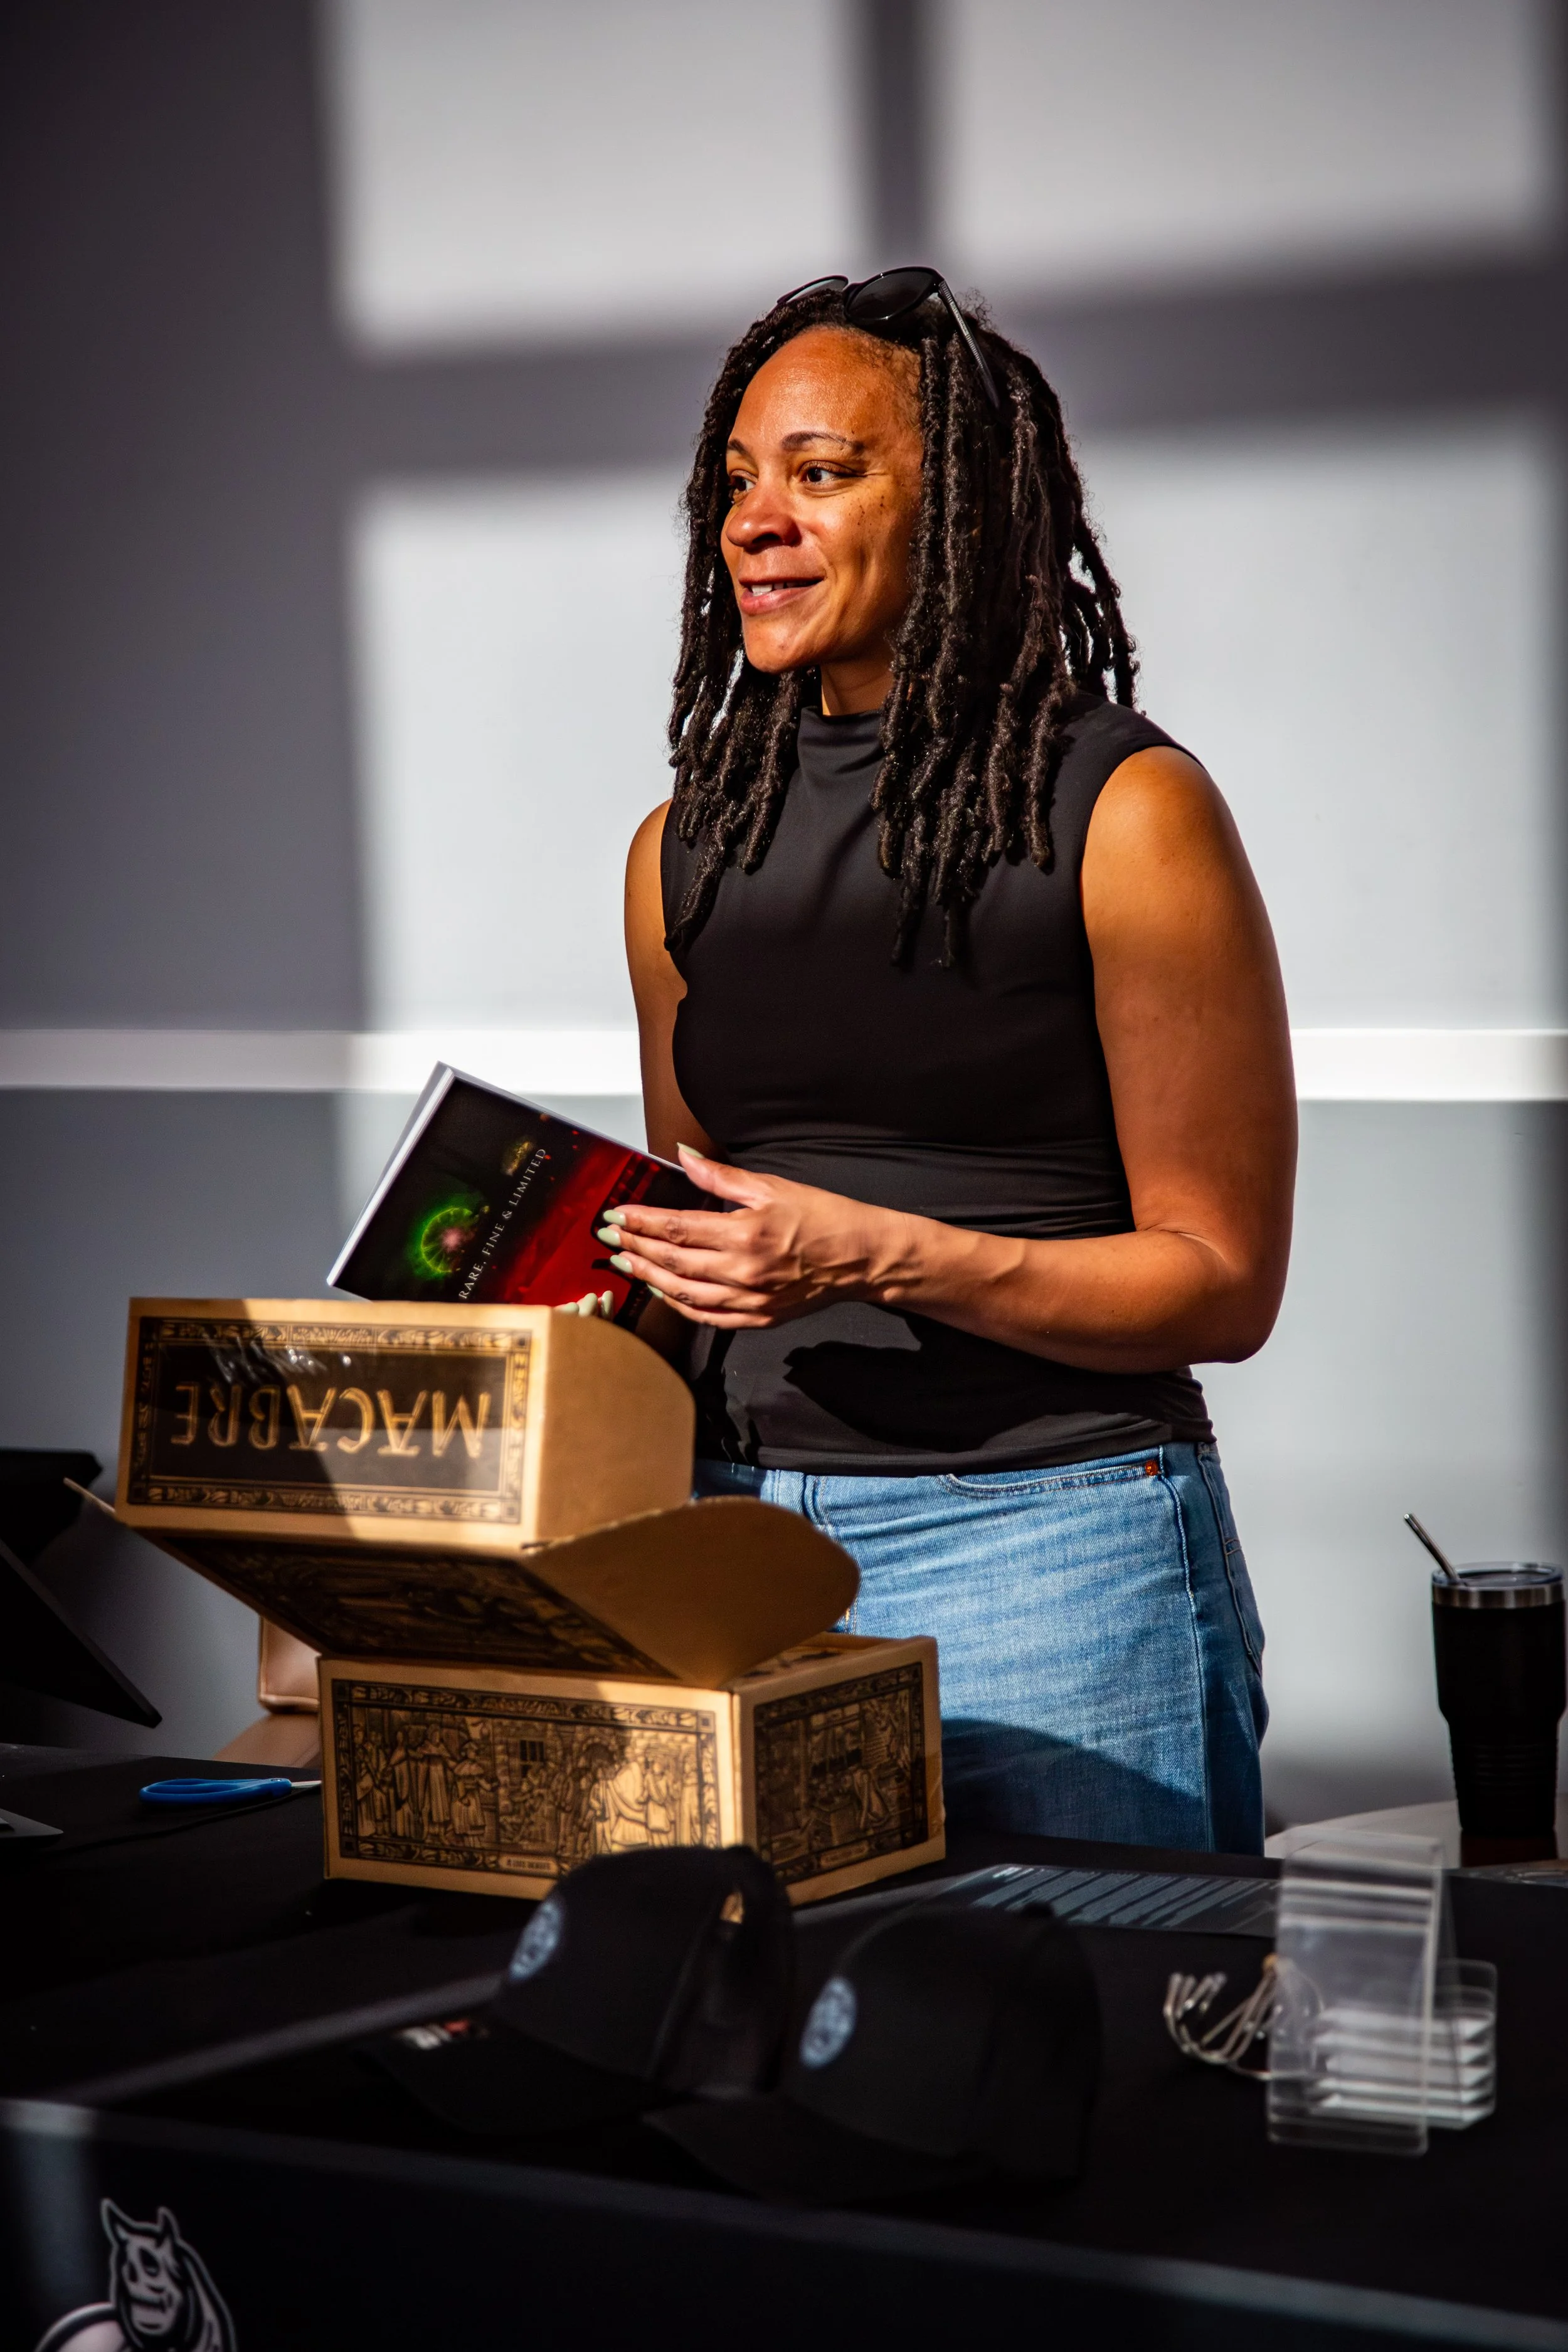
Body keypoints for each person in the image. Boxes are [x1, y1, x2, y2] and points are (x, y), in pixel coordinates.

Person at [604, 271, 1295, 1854]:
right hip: (739, 1551)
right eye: (737, 481)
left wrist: (882, 1257)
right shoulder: (674, 855)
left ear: (963, 511)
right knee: (761, 2073)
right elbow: (702, 1226)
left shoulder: (1126, 815)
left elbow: (1221, 1284)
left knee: (1103, 2060)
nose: (757, 521)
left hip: (1055, 1548)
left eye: (823, 473)